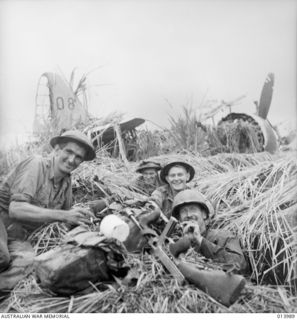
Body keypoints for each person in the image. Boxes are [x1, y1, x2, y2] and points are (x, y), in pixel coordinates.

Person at [0, 130, 96, 272]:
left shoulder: (66, 182)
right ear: (57, 149)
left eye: (78, 157)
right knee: (2, 257)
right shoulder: (36, 165)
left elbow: (63, 218)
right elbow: (16, 209)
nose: (71, 160)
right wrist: (65, 216)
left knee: (28, 265)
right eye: (68, 152)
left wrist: (83, 222)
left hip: (17, 235)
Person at [171, 189, 249, 274]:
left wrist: (200, 240)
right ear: (179, 219)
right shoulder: (176, 243)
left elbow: (239, 265)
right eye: (183, 211)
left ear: (204, 214)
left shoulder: (223, 236)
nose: (189, 215)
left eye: (193, 209)